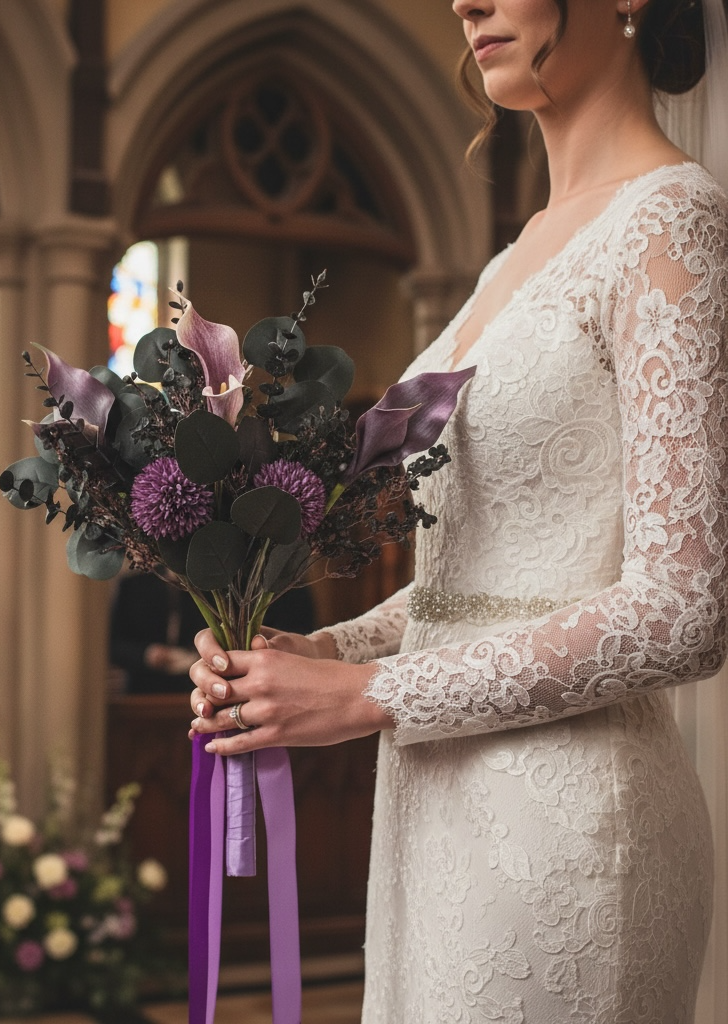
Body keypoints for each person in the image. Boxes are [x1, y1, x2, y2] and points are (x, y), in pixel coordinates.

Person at [189, 1, 728, 1020]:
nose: (464, 1)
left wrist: (371, 698)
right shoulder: (512, 254)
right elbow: (474, 588)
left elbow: (683, 607)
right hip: (435, 815)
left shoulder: (672, 220)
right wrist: (320, 657)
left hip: (570, 828)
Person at [109, 570, 314, 694]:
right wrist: (148, 654)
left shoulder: (214, 584)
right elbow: (113, 646)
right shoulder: (133, 585)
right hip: (144, 692)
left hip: (200, 685)